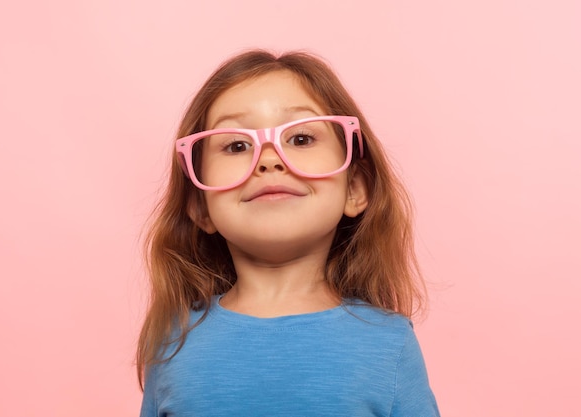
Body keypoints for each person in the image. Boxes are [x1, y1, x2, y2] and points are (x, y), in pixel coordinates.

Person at [137, 49, 440, 416]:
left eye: (300, 139)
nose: (268, 158)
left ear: (355, 189)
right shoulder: (172, 343)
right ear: (200, 207)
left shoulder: (390, 343)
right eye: (236, 145)